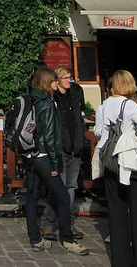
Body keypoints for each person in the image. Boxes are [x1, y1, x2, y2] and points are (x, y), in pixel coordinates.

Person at [24, 67, 89, 255]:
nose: (56, 84)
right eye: (54, 80)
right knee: (62, 195)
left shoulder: (30, 99)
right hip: (44, 155)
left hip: (29, 154)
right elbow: (51, 137)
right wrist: (54, 164)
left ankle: (35, 239)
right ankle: (68, 239)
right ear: (48, 82)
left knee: (32, 197)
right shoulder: (47, 103)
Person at [94, 69, 137, 267]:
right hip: (130, 160)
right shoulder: (130, 105)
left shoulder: (103, 106)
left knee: (116, 212)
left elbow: (99, 133)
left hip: (111, 161)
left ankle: (120, 261)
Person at [40, 66, 86, 242]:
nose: (69, 80)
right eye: (66, 78)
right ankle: (48, 222)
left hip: (75, 147)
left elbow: (78, 120)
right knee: (59, 187)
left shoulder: (74, 95)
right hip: (60, 149)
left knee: (71, 187)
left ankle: (67, 223)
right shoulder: (52, 99)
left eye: (70, 77)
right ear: (57, 80)